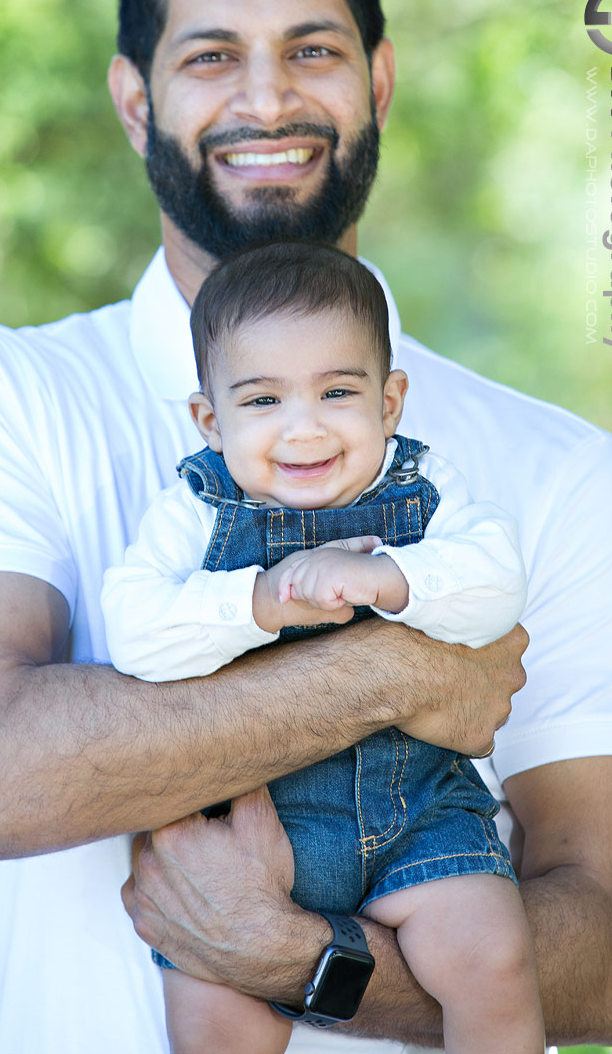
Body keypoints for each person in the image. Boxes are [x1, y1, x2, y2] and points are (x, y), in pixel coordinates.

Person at [0, 0, 612, 1054]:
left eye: (311, 49)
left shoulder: (554, 467)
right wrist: (393, 673)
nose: (267, 97)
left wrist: (310, 966)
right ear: (133, 100)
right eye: (211, 57)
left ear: (378, 80)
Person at [101, 241, 544, 1054]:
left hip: (419, 815)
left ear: (389, 401)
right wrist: (257, 601)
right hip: (253, 831)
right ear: (210, 419)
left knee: (493, 959)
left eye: (337, 391)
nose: (303, 428)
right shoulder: (196, 510)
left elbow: (496, 583)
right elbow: (134, 630)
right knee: (215, 1026)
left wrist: (386, 578)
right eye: (262, 400)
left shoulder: (426, 491)